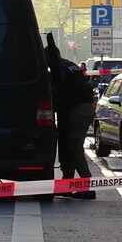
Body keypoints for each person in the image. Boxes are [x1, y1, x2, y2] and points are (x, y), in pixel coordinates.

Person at [46, 34, 96, 199]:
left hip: (78, 109)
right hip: (83, 108)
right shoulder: (70, 65)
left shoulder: (58, 70)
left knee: (74, 147)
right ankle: (67, 184)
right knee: (68, 146)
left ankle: (86, 186)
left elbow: (56, 94)